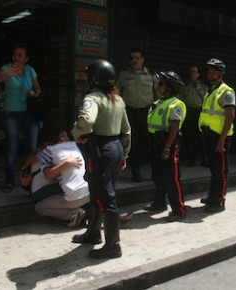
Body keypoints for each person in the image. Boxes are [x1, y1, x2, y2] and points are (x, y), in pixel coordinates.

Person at [72, 59, 131, 259]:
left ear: (93, 79)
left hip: (99, 150)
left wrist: (76, 133)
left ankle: (113, 245)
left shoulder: (93, 98)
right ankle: (93, 232)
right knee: (99, 191)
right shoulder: (118, 99)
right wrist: (124, 153)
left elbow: (87, 121)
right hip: (115, 147)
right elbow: (126, 130)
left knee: (105, 196)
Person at [0, 46, 42, 193]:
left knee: (32, 148)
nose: (16, 57)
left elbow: (38, 88)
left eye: (20, 55)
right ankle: (9, 181)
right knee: (12, 147)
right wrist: (9, 74)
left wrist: (34, 94)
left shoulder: (30, 70)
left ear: (26, 58)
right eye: (14, 54)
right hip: (11, 113)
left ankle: (34, 180)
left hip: (29, 113)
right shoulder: (6, 68)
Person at [145, 71, 187, 222]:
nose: (158, 86)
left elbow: (175, 127)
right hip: (156, 143)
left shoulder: (176, 104)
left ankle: (178, 209)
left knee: (172, 178)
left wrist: (168, 147)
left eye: (161, 84)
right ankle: (159, 203)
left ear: (169, 87)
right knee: (157, 175)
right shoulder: (158, 102)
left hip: (168, 144)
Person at [198, 58, 236, 213]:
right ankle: (212, 196)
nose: (210, 73)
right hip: (209, 135)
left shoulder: (226, 91)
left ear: (221, 73)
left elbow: (230, 116)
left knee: (220, 170)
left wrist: (221, 140)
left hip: (219, 137)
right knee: (214, 169)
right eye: (209, 70)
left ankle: (218, 201)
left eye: (213, 70)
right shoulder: (210, 90)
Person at [32, 128, 90, 227]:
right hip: (89, 192)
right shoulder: (74, 145)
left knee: (39, 208)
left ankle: (73, 214)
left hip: (74, 196)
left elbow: (32, 161)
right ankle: (85, 213)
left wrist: (67, 163)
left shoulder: (50, 150)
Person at [115, 48, 157, 182]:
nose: (133, 60)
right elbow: (117, 93)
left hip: (147, 113)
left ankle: (155, 173)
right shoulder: (124, 75)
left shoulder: (151, 74)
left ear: (143, 59)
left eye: (136, 58)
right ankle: (136, 175)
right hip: (130, 113)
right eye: (131, 58)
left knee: (152, 144)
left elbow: (158, 93)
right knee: (133, 145)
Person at [179, 65, 207, 167]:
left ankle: (205, 159)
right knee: (188, 137)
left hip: (200, 111)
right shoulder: (184, 86)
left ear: (198, 74)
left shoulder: (203, 86)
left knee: (201, 137)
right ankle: (191, 160)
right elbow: (180, 99)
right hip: (188, 111)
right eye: (191, 71)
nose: (192, 74)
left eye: (195, 72)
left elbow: (207, 100)